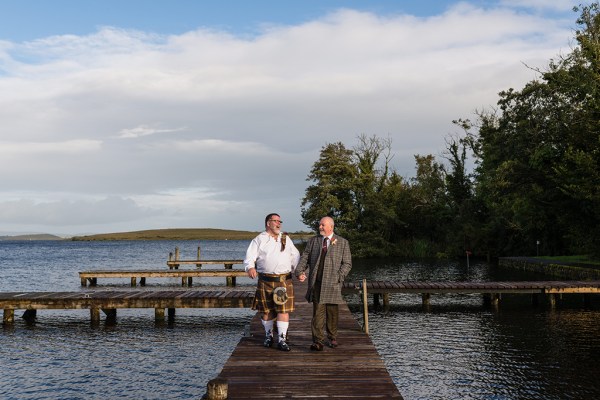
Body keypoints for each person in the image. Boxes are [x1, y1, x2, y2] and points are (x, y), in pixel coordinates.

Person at [243, 213, 300, 351]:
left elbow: (295, 256)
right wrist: (250, 267)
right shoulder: (259, 239)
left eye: (280, 221)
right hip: (265, 280)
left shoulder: (285, 238)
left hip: (283, 281)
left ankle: (282, 339)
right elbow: (249, 257)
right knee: (266, 311)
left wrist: (299, 271)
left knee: (283, 310)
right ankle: (268, 336)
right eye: (275, 221)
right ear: (268, 223)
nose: (278, 224)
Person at [295, 216, 352, 351]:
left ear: (331, 227)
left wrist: (339, 277)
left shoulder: (343, 242)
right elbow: (305, 258)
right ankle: (318, 341)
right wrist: (299, 271)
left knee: (332, 313)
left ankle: (332, 338)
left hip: (333, 283)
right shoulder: (313, 241)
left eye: (323, 225)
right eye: (319, 225)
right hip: (317, 282)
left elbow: (347, 264)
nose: (320, 227)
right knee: (317, 314)